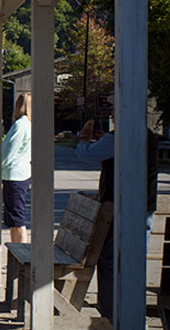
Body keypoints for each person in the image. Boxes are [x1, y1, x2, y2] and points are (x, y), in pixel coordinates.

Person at [75, 117, 158, 322]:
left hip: (117, 210)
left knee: (109, 262)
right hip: (144, 207)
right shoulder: (148, 136)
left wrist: (84, 139)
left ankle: (112, 316)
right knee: (135, 262)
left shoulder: (118, 137)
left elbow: (87, 154)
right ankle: (135, 315)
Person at [1, 93, 32, 244]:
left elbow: (8, 151)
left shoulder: (20, 125)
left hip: (14, 176)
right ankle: (16, 251)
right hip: (21, 174)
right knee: (13, 220)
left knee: (17, 219)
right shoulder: (28, 124)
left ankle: (22, 251)